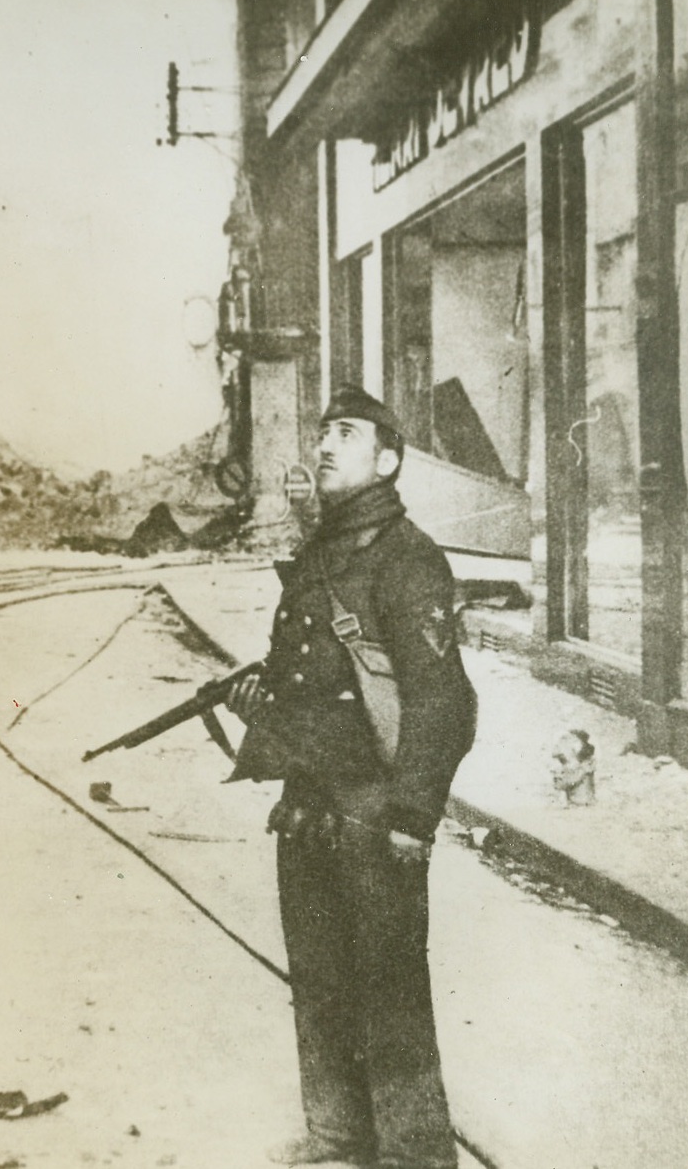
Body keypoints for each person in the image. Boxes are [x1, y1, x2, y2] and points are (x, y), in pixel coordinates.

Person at [227, 388, 477, 1169]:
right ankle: (338, 1138)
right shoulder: (319, 557)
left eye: (347, 434)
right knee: (320, 977)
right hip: (309, 805)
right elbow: (310, 686)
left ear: (388, 459)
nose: (326, 446)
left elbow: (443, 700)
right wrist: (257, 713)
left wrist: (413, 813)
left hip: (375, 809)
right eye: (323, 432)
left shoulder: (408, 559)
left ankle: (414, 1153)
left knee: (390, 989)